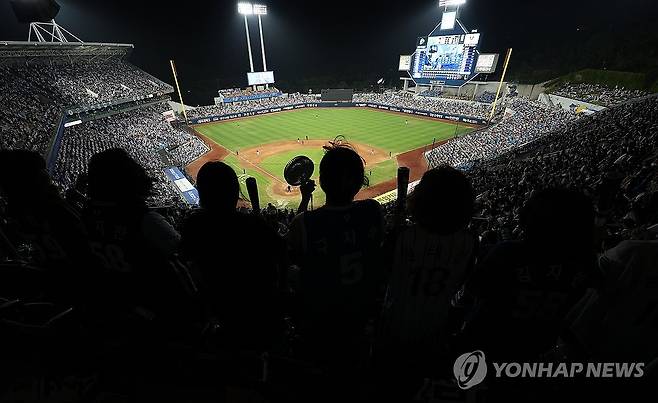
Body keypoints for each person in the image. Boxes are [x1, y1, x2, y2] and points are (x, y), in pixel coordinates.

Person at [458, 189, 600, 361]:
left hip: (484, 347)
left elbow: (473, 289)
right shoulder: (584, 267)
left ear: (528, 220)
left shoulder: (507, 253)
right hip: (536, 353)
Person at [287, 142, 384, 372]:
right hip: (361, 323)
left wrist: (304, 200)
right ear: (360, 181)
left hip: (319, 325)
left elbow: (296, 250)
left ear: (321, 182)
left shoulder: (304, 223)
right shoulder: (373, 212)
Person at [180, 161, 285, 350]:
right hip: (257, 316)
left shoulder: (192, 225)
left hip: (215, 314)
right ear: (233, 191)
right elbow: (282, 253)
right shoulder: (252, 225)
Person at [83, 148, 184, 322]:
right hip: (156, 307)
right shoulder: (143, 218)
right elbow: (182, 254)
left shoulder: (85, 217)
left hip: (114, 305)